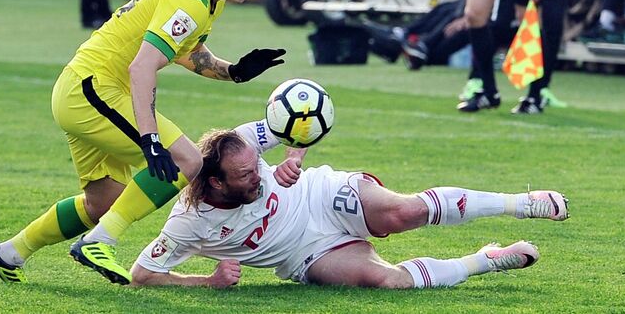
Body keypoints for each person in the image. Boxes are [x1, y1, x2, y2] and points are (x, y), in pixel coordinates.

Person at [0, 0, 286, 286]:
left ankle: (9, 253)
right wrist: (150, 139)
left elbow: (186, 52)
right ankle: (99, 241)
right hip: (93, 90)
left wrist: (233, 71)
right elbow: (142, 66)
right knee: (188, 159)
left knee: (103, 203)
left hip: (82, 90)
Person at [130, 122, 569, 289]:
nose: (256, 176)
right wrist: (206, 282)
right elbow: (142, 275)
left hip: (320, 196)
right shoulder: (189, 223)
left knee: (403, 212)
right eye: (245, 176)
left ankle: (520, 203)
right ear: (214, 182)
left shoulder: (244, 142)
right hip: (306, 255)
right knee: (388, 283)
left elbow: (296, 126)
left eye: (255, 168)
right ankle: (485, 261)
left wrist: (295, 160)